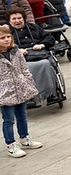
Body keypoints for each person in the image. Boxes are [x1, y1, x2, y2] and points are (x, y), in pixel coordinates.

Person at [0, 25, 41, 158]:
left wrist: (28, 81)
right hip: (5, 92)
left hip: (21, 88)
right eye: (2, 38)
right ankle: (11, 144)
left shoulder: (16, 51)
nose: (6, 40)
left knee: (22, 115)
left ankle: (24, 138)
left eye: (7, 37)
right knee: (8, 119)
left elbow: (24, 68)